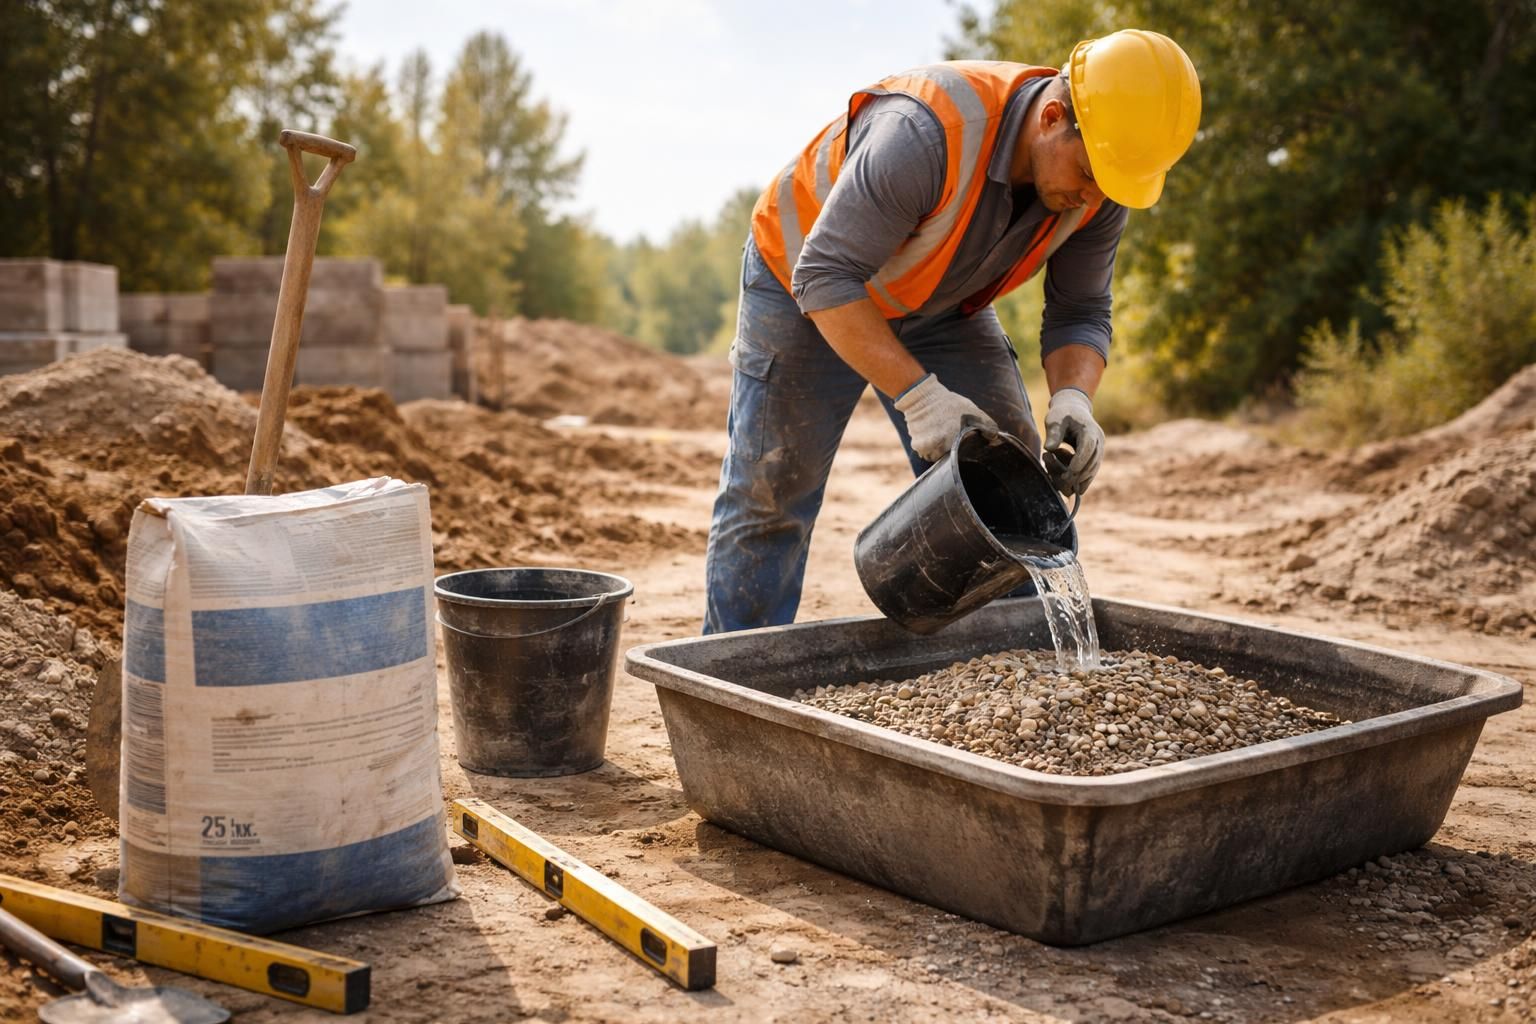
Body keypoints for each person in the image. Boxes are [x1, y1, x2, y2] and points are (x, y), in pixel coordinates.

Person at [704, 29, 1201, 634]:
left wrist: (1075, 397)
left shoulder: (1103, 184)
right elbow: (827, 276)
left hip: (939, 300)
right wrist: (920, 397)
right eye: (1091, 173)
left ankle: (1018, 677)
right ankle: (732, 681)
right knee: (773, 492)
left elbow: (1081, 309)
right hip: (807, 283)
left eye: (1113, 183)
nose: (1093, 196)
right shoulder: (927, 133)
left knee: (1011, 484)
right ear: (1051, 117)